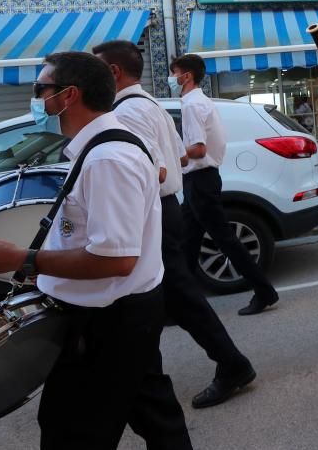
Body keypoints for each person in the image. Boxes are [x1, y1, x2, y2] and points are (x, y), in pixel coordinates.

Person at [0, 51, 192, 449]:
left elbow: (116, 259)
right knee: (155, 416)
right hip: (118, 314)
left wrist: (20, 258)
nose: (36, 100)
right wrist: (43, 268)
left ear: (68, 95)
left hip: (107, 322)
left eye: (41, 90)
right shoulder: (99, 147)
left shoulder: (108, 158)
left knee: (70, 432)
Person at [94, 41, 257, 409]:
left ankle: (231, 363)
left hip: (155, 208)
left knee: (180, 293)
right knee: (168, 293)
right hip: (166, 206)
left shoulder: (132, 111)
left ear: (114, 72)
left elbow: (154, 168)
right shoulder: (146, 105)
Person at [170, 54, 280, 316]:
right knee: (188, 241)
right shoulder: (199, 102)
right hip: (200, 180)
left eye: (174, 73)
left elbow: (198, 149)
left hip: (200, 179)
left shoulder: (192, 106)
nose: (171, 78)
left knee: (225, 240)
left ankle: (264, 291)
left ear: (186, 76)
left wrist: (173, 157)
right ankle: (182, 304)